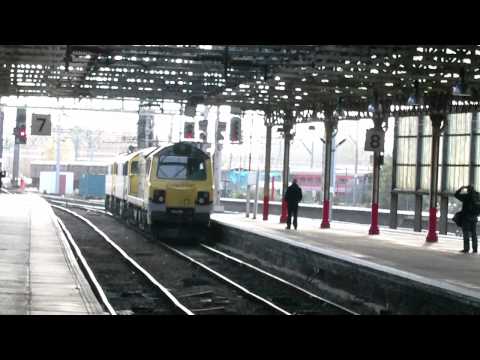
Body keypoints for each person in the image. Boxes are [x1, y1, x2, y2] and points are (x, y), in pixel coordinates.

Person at [454, 185, 478, 254]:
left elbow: (456, 195)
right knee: (474, 234)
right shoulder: (477, 195)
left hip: (466, 217)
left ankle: (466, 249)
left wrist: (461, 188)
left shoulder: (466, 196)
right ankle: (475, 249)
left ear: (468, 190)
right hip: (474, 217)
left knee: (466, 233)